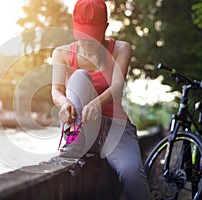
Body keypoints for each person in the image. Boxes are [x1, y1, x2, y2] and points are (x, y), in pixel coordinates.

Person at [51, 0, 150, 199]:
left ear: (105, 27)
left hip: (115, 127)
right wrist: (64, 104)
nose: (87, 40)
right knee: (80, 77)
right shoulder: (61, 54)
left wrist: (96, 103)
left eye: (93, 34)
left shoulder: (121, 49)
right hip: (82, 127)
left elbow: (117, 86)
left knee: (133, 175)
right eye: (83, 33)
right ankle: (74, 140)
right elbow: (56, 90)